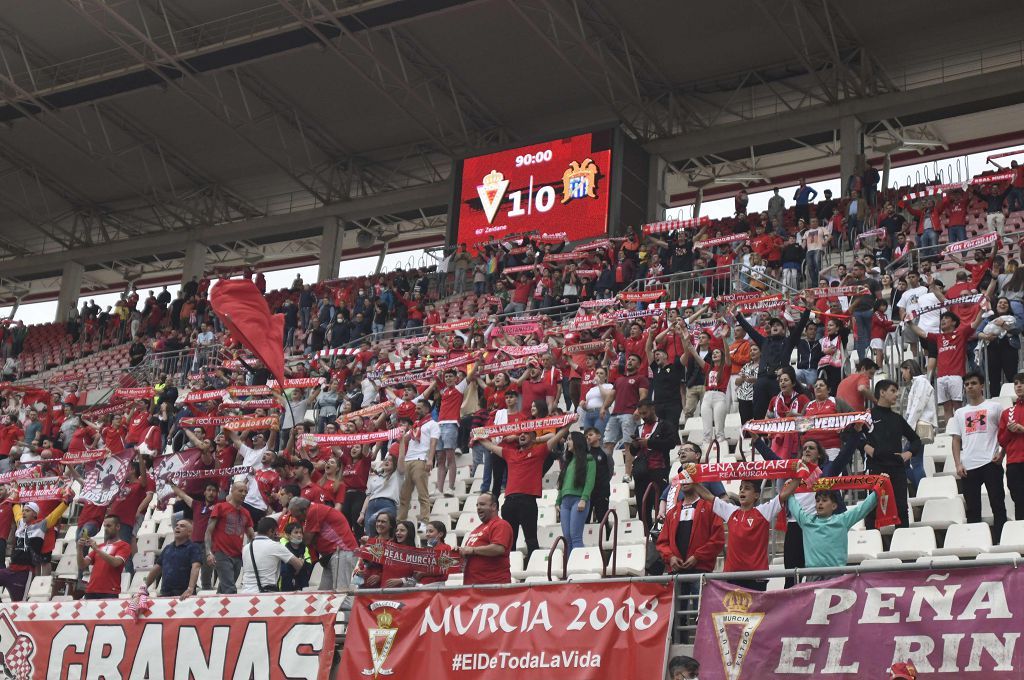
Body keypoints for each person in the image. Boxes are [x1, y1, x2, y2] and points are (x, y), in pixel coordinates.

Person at [475, 421, 571, 559]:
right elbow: (490, 445)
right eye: (520, 433)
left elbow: (555, 437)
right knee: (509, 541)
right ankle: (510, 571)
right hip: (509, 503)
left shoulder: (539, 451)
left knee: (531, 539)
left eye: (526, 433)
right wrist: (477, 435)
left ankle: (535, 573)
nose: (522, 435)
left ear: (533, 438)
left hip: (528, 502)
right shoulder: (509, 453)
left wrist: (568, 426)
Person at [692, 475, 796, 591]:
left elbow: (783, 495)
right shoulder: (730, 511)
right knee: (734, 610)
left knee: (755, 610)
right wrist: (693, 481)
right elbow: (708, 496)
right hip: (732, 576)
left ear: (756, 495)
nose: (742, 490)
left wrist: (799, 477)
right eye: (741, 488)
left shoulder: (763, 511)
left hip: (756, 577)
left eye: (747, 488)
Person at [785, 478, 881, 579]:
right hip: (812, 575)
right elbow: (793, 504)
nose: (820, 503)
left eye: (824, 500)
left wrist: (879, 486)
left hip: (836, 575)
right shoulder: (806, 521)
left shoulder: (842, 520)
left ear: (834, 506)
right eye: (817, 501)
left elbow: (862, 509)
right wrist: (789, 487)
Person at [950, 372, 1007, 539]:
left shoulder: (995, 407)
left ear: (982, 386)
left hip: (991, 462)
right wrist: (958, 464)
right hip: (969, 466)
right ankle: (975, 542)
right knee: (973, 509)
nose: (969, 387)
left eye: (973, 383)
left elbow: (1004, 434)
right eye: (967, 384)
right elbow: (955, 440)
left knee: (998, 504)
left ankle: (1002, 540)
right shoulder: (959, 413)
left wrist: (1002, 453)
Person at [908, 305, 986, 422]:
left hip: (957, 375)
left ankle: (962, 431)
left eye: (946, 318)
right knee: (946, 408)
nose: (943, 320)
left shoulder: (961, 333)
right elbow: (922, 333)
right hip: (941, 377)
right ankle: (950, 433)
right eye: (941, 319)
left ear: (954, 322)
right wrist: (910, 323)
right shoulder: (938, 337)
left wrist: (983, 308)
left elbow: (975, 323)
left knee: (958, 406)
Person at [865, 380, 921, 529]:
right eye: (893, 390)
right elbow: (850, 434)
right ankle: (871, 544)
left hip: (897, 469)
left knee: (902, 508)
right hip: (875, 468)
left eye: (897, 391)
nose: (897, 394)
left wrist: (908, 453)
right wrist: (865, 447)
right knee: (872, 508)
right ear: (882, 393)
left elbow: (916, 440)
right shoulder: (868, 416)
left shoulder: (897, 419)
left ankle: (904, 545)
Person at [0, 488, 72, 601]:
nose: (23, 513)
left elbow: (55, 514)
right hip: (10, 570)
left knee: (19, 605)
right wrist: (15, 495)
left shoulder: (41, 525)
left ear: (35, 514)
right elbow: (16, 507)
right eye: (24, 510)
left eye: (27, 511)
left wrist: (66, 502)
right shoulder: (20, 523)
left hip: (24, 574)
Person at [288, 496, 359, 591]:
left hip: (341, 552)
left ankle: (351, 605)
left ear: (304, 510)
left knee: (340, 592)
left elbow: (307, 540)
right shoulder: (312, 511)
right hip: (332, 555)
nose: (297, 519)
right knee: (324, 593)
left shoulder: (314, 511)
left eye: (297, 516)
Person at [630, 399, 680, 528]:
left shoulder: (665, 425)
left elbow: (671, 443)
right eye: (641, 414)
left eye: (645, 413)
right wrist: (635, 445)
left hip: (659, 469)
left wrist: (649, 443)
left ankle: (661, 531)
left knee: (659, 503)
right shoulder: (639, 428)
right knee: (642, 504)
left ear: (653, 409)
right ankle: (646, 532)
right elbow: (632, 451)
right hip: (641, 471)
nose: (643, 416)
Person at [205, 479, 256, 594]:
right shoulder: (220, 507)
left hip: (237, 555)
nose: (243, 494)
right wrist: (208, 552)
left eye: (245, 492)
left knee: (224, 588)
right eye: (240, 491)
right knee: (230, 589)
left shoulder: (246, 513)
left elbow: (251, 535)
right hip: (221, 553)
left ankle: (214, 609)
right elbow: (208, 531)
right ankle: (233, 611)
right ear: (232, 491)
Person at [397, 400, 437, 531]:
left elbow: (433, 443)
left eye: (419, 408)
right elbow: (404, 440)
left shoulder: (432, 424)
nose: (416, 411)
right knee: (404, 496)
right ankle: (400, 522)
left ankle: (425, 521)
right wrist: (400, 435)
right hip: (408, 460)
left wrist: (430, 459)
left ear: (426, 410)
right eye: (416, 408)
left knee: (422, 494)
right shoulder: (415, 425)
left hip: (421, 459)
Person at [459, 492, 513, 585]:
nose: (478, 508)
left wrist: (472, 550)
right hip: (474, 586)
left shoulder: (500, 524)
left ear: (494, 506)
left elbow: (498, 548)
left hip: (493, 586)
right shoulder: (477, 529)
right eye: (477, 505)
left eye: (482, 504)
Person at [556, 432, 597, 554]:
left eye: (570, 439)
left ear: (577, 441)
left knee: (575, 536)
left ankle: (577, 566)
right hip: (565, 502)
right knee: (567, 538)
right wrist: (558, 501)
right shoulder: (568, 461)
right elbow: (562, 485)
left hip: (578, 500)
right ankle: (569, 568)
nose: (567, 442)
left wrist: (584, 499)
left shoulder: (589, 459)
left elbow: (590, 482)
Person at [241, 517, 304, 594]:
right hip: (266, 594)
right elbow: (298, 565)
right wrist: (300, 561)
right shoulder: (276, 546)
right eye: (276, 532)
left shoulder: (246, 547)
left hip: (245, 593)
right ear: (271, 531)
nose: (277, 535)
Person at [76, 515, 131, 599]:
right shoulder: (99, 546)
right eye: (104, 526)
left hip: (109, 591)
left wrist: (97, 549)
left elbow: (116, 563)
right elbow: (82, 565)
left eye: (109, 526)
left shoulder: (124, 545)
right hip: (91, 590)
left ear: (118, 527)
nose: (105, 529)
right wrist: (79, 549)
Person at [145, 518, 202, 598]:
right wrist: (144, 587)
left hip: (184, 595)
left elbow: (196, 567)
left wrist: (190, 588)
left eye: (182, 526)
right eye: (176, 525)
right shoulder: (167, 548)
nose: (177, 527)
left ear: (189, 532)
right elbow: (156, 569)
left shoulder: (194, 548)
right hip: (165, 594)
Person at [998, 372, 1024, 520]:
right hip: (1013, 462)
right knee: (1019, 501)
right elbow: (1001, 440)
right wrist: (1009, 431)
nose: (1019, 385)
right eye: (1016, 383)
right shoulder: (1008, 413)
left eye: (1022, 382)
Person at [279, 522, 313, 591]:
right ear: (288, 535)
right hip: (287, 584)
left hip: (302, 583)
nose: (299, 535)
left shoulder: (304, 548)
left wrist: (303, 563)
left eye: (300, 532)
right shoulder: (284, 548)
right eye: (296, 532)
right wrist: (298, 563)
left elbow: (309, 566)